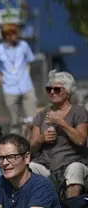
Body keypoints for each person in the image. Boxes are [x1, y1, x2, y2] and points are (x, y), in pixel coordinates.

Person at [29, 70, 88, 198]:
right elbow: (32, 147)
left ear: (67, 92)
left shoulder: (79, 112)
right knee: (30, 168)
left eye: (57, 89)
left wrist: (60, 122)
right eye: (49, 89)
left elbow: (81, 140)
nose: (52, 92)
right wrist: (41, 138)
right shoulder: (41, 115)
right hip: (46, 164)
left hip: (71, 162)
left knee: (75, 169)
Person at [0, 24, 38, 133]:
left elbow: (29, 61)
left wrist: (26, 74)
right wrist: (2, 81)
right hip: (10, 88)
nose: (15, 36)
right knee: (14, 122)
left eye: (15, 33)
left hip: (26, 86)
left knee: (33, 120)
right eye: (12, 33)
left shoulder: (24, 45)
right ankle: (16, 147)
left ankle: (33, 145)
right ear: (6, 35)